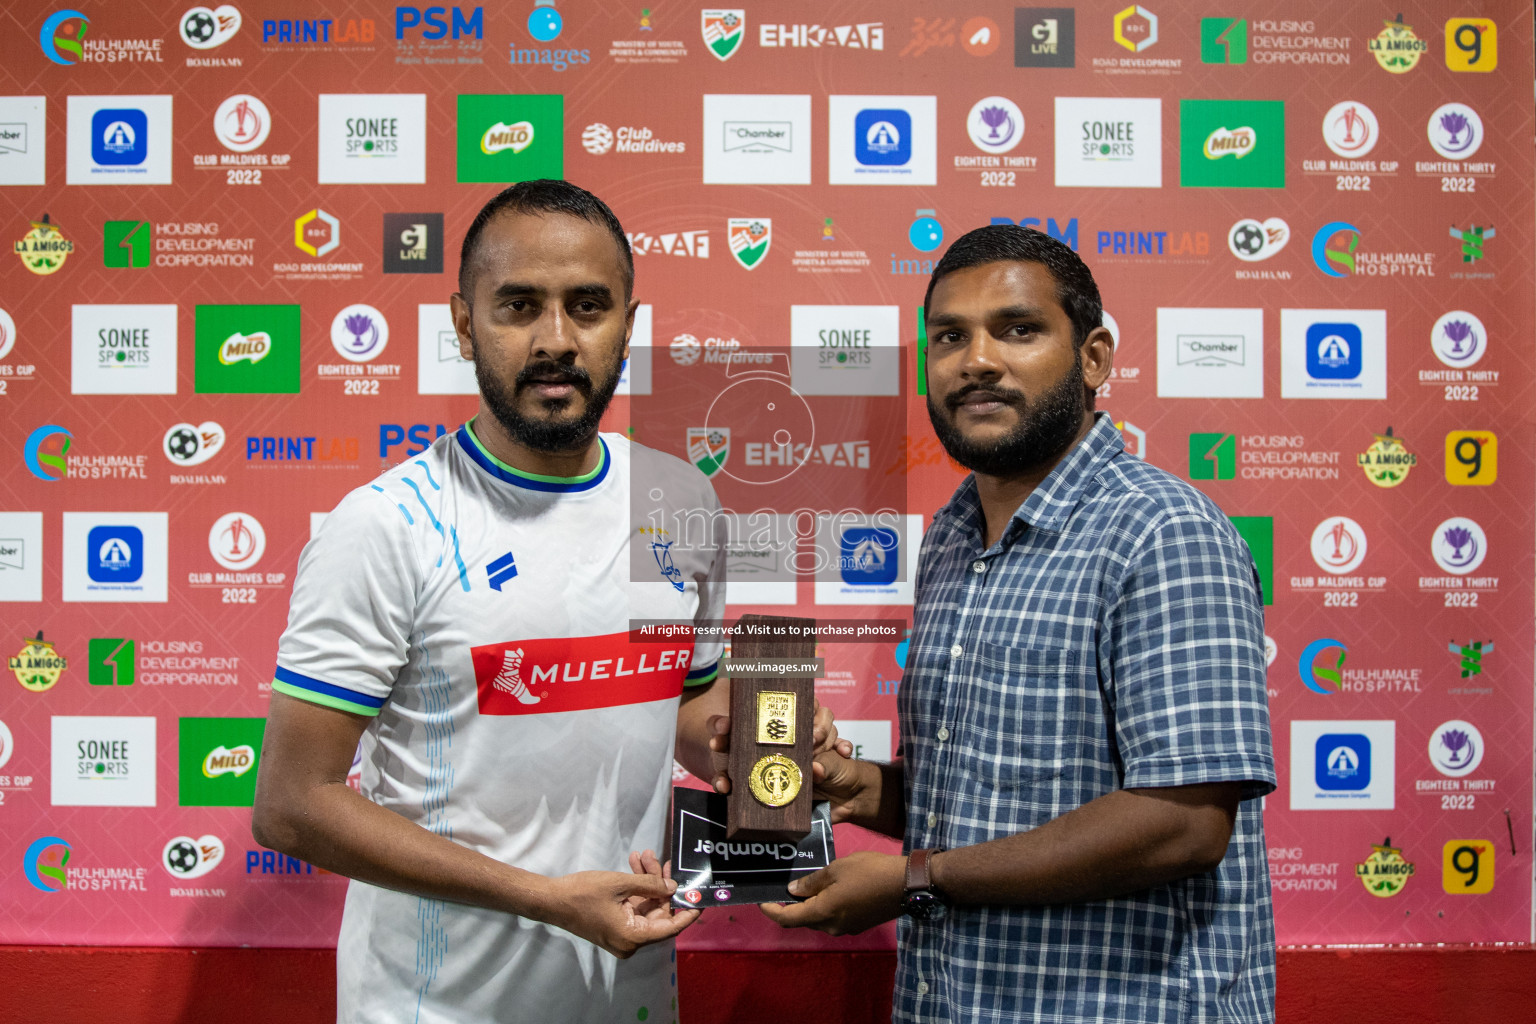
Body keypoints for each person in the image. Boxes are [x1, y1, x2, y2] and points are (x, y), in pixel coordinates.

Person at [252, 180, 839, 1023]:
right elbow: (291, 804)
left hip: (629, 994)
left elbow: (683, 698)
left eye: (588, 306)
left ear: (628, 326)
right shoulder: (387, 526)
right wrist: (542, 897)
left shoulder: (677, 500)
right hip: (437, 1007)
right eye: (519, 306)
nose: (556, 340)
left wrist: (759, 755)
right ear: (464, 325)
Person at [762, 224, 1276, 1024]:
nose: (976, 360)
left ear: (1096, 358)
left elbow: (1183, 824)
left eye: (1018, 329)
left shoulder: (1164, 531)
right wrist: (860, 788)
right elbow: (985, 802)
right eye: (950, 337)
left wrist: (914, 879)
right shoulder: (953, 536)